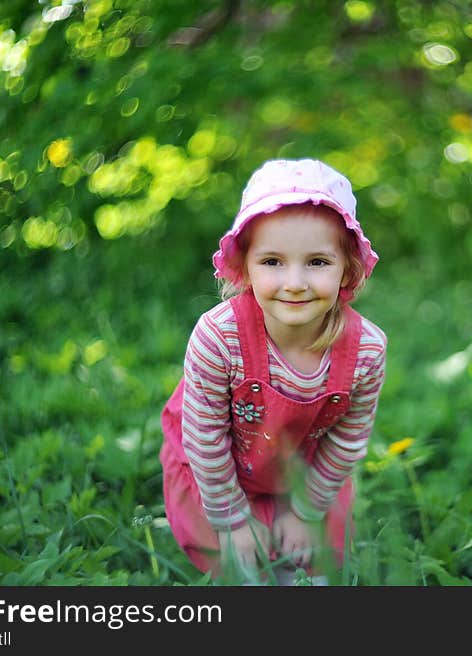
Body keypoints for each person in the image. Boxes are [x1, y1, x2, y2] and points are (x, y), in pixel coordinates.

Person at [159, 158, 386, 584]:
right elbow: (205, 437)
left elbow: (347, 440)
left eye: (318, 262)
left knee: (317, 565)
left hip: (306, 471)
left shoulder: (366, 351)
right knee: (242, 567)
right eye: (273, 262)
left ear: (347, 269)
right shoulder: (218, 338)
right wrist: (232, 521)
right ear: (245, 266)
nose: (295, 281)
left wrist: (305, 511)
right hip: (217, 469)